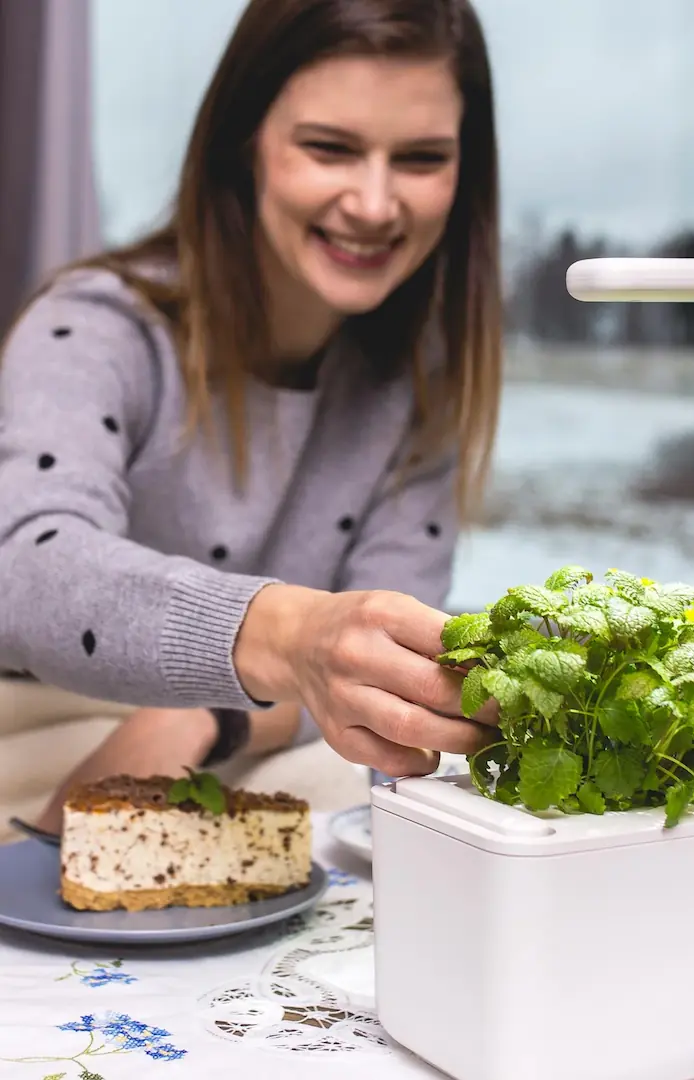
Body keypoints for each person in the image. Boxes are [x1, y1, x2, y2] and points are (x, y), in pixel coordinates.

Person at [0, 0, 503, 834]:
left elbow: (382, 679)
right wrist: (287, 632)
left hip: (242, 741)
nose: (375, 205)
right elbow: (23, 565)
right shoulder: (95, 326)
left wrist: (200, 714)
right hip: (40, 735)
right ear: (246, 143)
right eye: (329, 148)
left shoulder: (415, 391)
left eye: (420, 159)